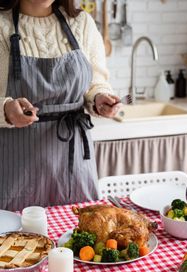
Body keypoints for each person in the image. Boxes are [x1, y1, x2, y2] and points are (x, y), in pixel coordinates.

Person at [0, 0, 120, 211]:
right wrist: (6, 110)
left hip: (73, 160)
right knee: (17, 239)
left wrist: (99, 98)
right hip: (17, 164)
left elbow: (96, 82)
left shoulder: (81, 23)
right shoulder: (2, 26)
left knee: (82, 236)